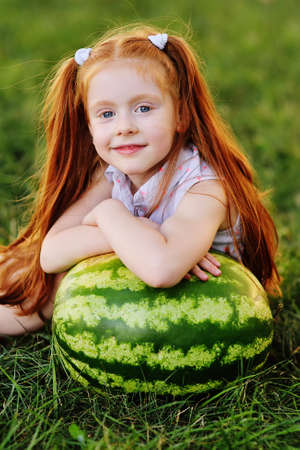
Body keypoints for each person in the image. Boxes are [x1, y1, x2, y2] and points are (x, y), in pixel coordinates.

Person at [0, 24, 281, 336]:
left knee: (50, 295)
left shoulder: (205, 187)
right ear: (89, 126)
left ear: (181, 115)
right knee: (44, 282)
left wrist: (109, 215)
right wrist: (129, 235)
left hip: (195, 313)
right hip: (139, 292)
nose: (124, 127)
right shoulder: (112, 175)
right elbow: (51, 254)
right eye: (106, 114)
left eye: (144, 108)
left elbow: (161, 269)